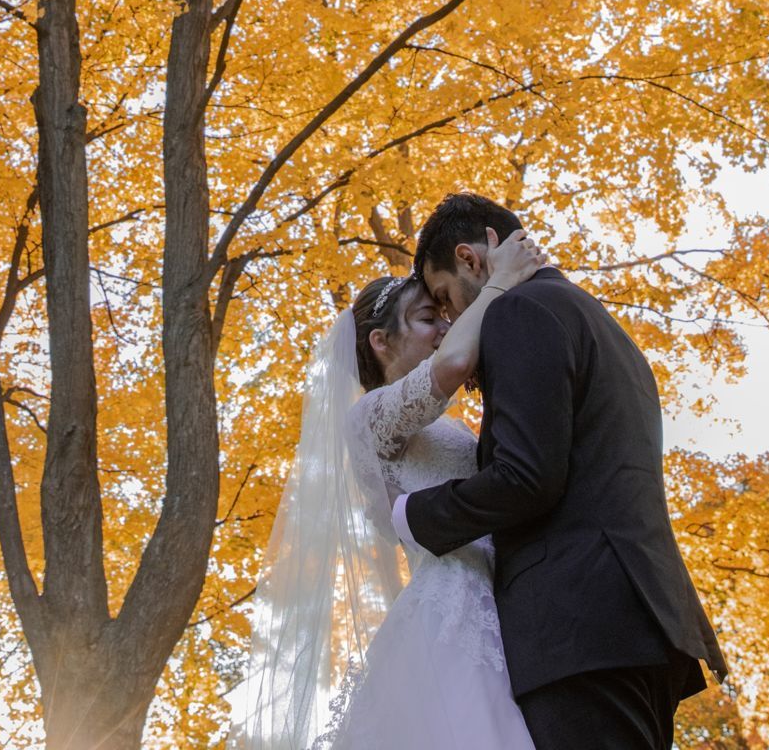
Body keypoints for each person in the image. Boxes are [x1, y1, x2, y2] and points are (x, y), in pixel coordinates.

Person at [395, 191, 727, 750]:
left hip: (578, 628)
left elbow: (527, 477)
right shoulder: (598, 321)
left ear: (472, 259)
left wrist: (414, 514)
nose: (453, 318)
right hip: (637, 620)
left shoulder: (519, 311)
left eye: (446, 297)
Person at [232, 226, 547, 750]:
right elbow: (452, 365)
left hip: (500, 598)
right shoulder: (367, 417)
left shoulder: (442, 427)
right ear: (381, 341)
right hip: (452, 606)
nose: (445, 328)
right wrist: (500, 283)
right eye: (429, 319)